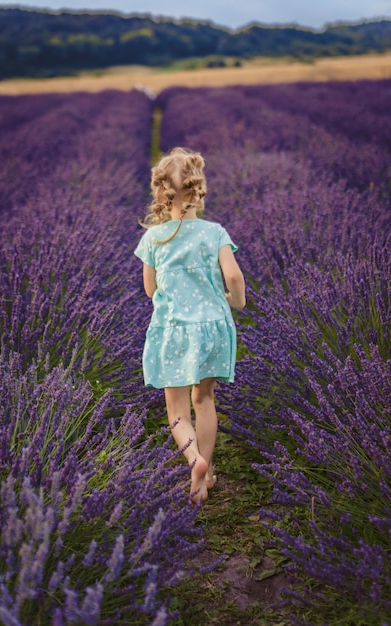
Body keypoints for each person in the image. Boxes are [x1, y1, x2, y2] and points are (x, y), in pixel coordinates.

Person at [134, 147, 246, 503]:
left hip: (173, 331)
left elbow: (150, 290)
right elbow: (234, 276)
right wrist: (235, 302)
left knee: (178, 411)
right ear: (200, 190)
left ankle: (194, 460)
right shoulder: (214, 232)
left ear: (161, 192)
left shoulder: (154, 238)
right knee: (205, 397)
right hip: (213, 328)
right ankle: (208, 471)